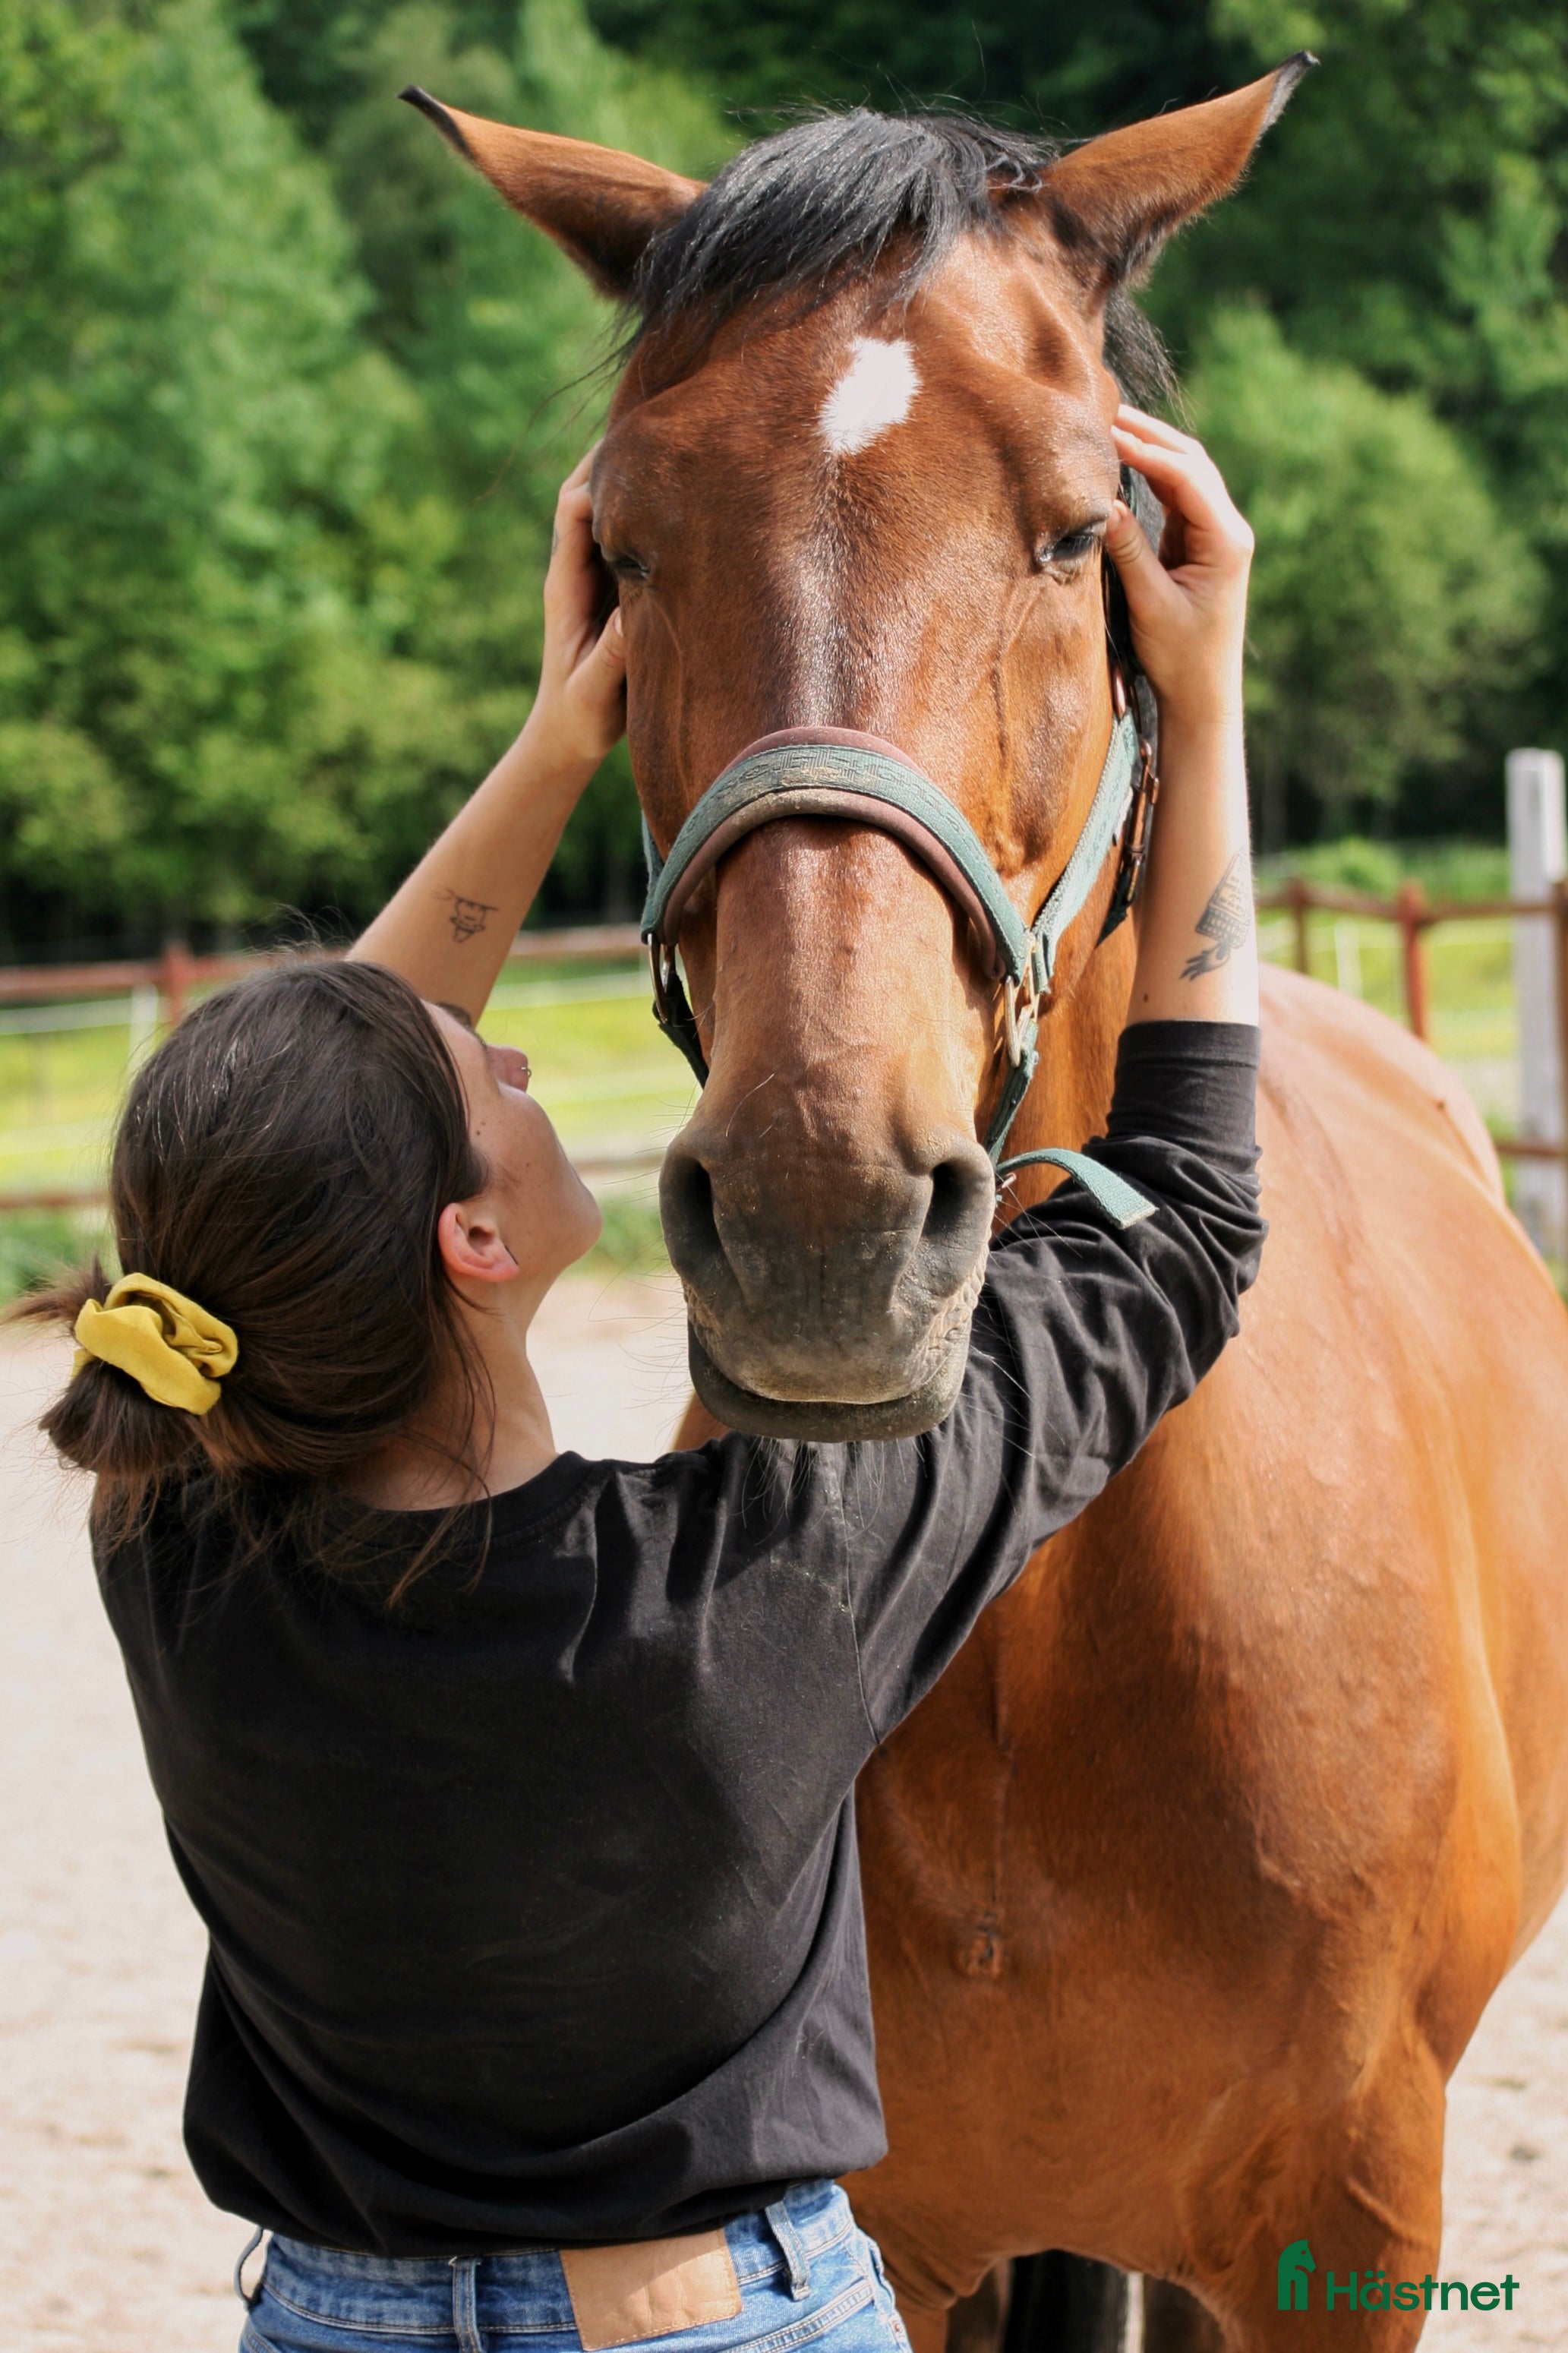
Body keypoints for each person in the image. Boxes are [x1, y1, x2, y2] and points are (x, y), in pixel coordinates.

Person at [24, 411, 1265, 2353]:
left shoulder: (181, 1536)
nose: (508, 1053)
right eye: (483, 1076)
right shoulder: (753, 1592)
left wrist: (559, 740)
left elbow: (287, 1140)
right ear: (472, 1239)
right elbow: (1186, 1213)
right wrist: (1200, 706)